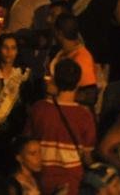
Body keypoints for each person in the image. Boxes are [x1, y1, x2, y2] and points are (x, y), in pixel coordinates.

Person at [25, 57, 96, 195]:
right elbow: (87, 156)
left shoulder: (39, 108)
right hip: (73, 182)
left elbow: (27, 142)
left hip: (42, 179)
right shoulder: (84, 115)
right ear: (78, 83)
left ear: (55, 80)